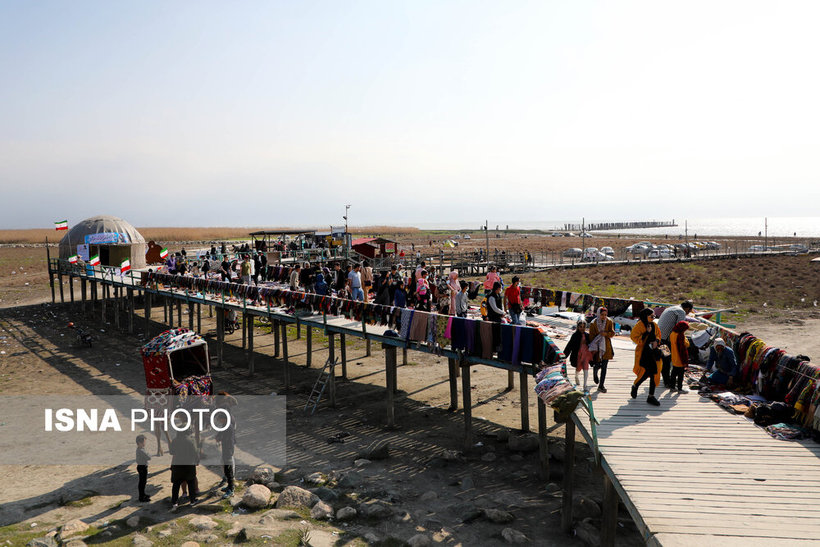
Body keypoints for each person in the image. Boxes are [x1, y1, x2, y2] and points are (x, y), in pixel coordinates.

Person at [656, 300, 694, 387]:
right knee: (667, 360)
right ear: (687, 308)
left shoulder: (672, 308)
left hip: (659, 338)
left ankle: (667, 379)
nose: (687, 313)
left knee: (665, 359)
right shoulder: (681, 312)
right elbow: (680, 327)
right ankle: (667, 382)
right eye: (688, 311)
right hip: (665, 340)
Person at [630, 308, 662, 406]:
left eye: (654, 316)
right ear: (645, 316)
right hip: (644, 353)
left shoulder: (654, 325)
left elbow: (658, 335)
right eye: (651, 316)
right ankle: (635, 385)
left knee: (654, 373)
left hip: (653, 352)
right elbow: (634, 338)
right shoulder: (639, 326)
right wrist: (647, 333)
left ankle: (651, 396)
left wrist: (656, 341)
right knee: (645, 373)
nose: (653, 318)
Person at [169, 426, 198, 511]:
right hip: (189, 465)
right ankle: (192, 501)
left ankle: (174, 502)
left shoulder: (175, 440)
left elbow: (171, 452)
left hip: (177, 466)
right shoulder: (191, 440)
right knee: (191, 483)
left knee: (176, 485)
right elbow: (195, 452)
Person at [588, 307, 615, 393]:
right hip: (597, 347)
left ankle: (601, 385)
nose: (603, 317)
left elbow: (612, 333)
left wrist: (606, 334)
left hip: (606, 347)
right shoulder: (593, 323)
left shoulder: (609, 321)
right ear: (598, 314)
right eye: (602, 315)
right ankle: (595, 371)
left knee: (604, 367)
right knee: (598, 364)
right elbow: (591, 336)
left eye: (605, 315)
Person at [564, 320, 593, 392]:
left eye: (584, 327)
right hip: (578, 355)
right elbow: (569, 346)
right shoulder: (575, 335)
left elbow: (592, 344)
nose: (582, 328)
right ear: (578, 327)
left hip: (586, 355)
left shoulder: (587, 335)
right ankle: (576, 377)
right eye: (580, 327)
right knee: (578, 369)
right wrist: (564, 355)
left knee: (586, 369)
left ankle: (585, 386)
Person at [214, 412, 236, 499]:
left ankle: (231, 489)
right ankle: (229, 486)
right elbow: (220, 433)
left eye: (220, 419)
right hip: (225, 450)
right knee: (226, 469)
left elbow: (228, 439)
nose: (219, 421)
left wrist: (220, 438)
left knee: (229, 470)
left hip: (228, 451)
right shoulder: (224, 426)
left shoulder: (229, 427)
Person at [669, 321, 690, 392]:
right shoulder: (680, 335)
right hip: (680, 357)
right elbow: (686, 344)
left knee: (673, 372)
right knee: (680, 374)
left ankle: (672, 387)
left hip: (674, 356)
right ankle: (680, 388)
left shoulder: (672, 334)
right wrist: (685, 338)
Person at [136, 434, 151, 502]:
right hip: (142, 467)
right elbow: (148, 457)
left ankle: (143, 494)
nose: (145, 443)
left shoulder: (140, 449)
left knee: (143, 482)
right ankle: (141, 497)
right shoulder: (141, 451)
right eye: (144, 442)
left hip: (141, 467)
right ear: (140, 443)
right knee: (142, 482)